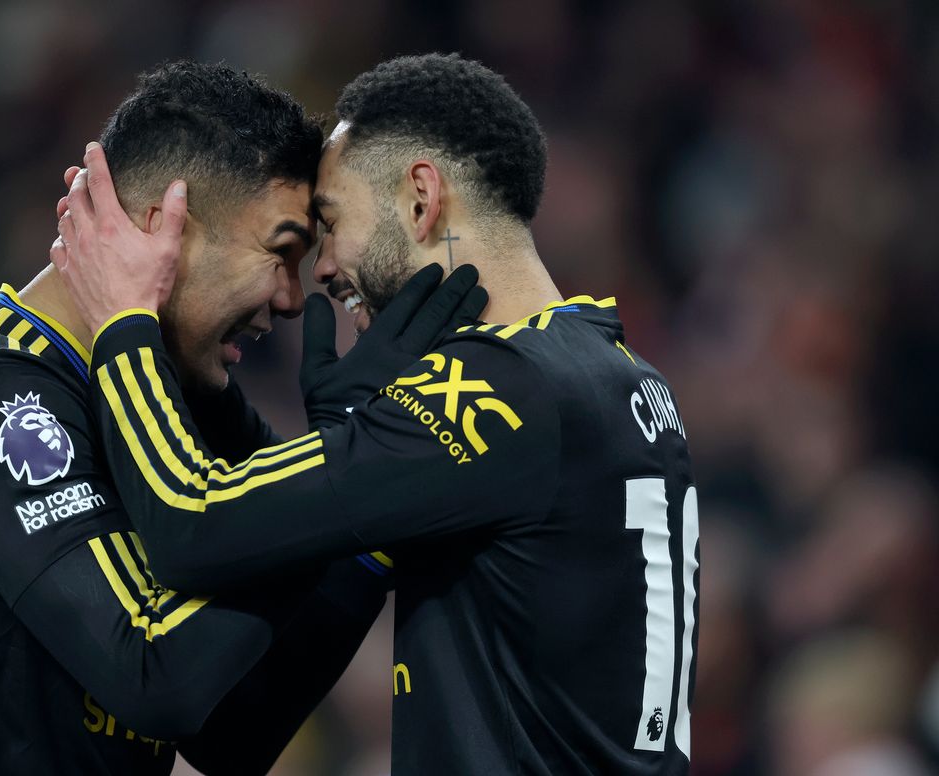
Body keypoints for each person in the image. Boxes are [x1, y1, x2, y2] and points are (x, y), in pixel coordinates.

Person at [53, 53, 699, 774]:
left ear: (422, 199)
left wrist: (125, 320)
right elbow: (231, 738)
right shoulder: (618, 376)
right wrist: (354, 449)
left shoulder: (498, 390)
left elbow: (190, 520)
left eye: (331, 223)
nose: (323, 270)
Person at [0, 60, 483, 774]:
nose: (289, 300)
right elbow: (155, 676)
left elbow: (233, 730)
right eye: (281, 252)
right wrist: (345, 465)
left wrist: (364, 517)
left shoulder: (178, 392)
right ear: (164, 228)